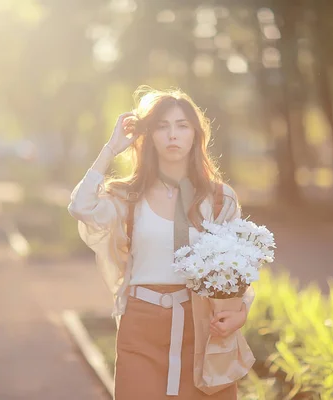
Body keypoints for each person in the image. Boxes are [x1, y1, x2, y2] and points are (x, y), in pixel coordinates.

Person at [68, 87, 254, 399]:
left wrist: (242, 310)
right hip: (141, 325)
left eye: (182, 126)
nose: (172, 135)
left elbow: (239, 269)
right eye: (162, 126)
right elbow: (80, 207)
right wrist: (111, 148)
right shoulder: (128, 196)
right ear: (149, 135)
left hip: (201, 325)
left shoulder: (219, 199)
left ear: (196, 134)